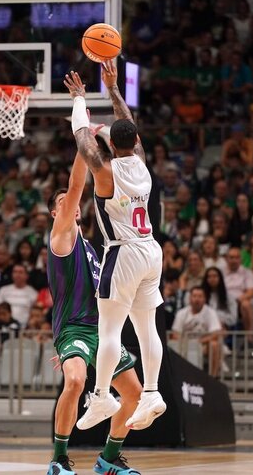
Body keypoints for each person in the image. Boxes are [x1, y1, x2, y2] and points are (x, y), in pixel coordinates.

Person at [65, 63, 165, 432]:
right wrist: (112, 89)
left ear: (111, 144)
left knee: (109, 331)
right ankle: (152, 392)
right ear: (134, 142)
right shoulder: (141, 165)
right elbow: (128, 125)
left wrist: (79, 99)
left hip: (122, 253)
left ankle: (103, 394)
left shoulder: (107, 172)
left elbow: (81, 138)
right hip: (150, 250)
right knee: (146, 327)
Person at [45, 148, 144, 475]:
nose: (69, 204)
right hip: (73, 328)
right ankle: (58, 460)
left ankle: (108, 460)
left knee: (134, 394)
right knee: (75, 381)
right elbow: (76, 188)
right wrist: (82, 144)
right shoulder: (61, 237)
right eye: (61, 203)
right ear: (54, 214)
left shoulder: (90, 248)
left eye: (68, 203)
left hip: (100, 333)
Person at [171, 286, 223, 376]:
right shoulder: (182, 313)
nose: (197, 299)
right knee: (171, 343)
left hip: (203, 345)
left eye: (200, 296)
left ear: (204, 299)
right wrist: (186, 342)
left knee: (214, 345)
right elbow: (175, 334)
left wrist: (198, 342)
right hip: (184, 344)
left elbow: (215, 334)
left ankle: (212, 378)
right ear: (190, 298)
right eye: (194, 296)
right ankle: (176, 376)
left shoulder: (211, 313)